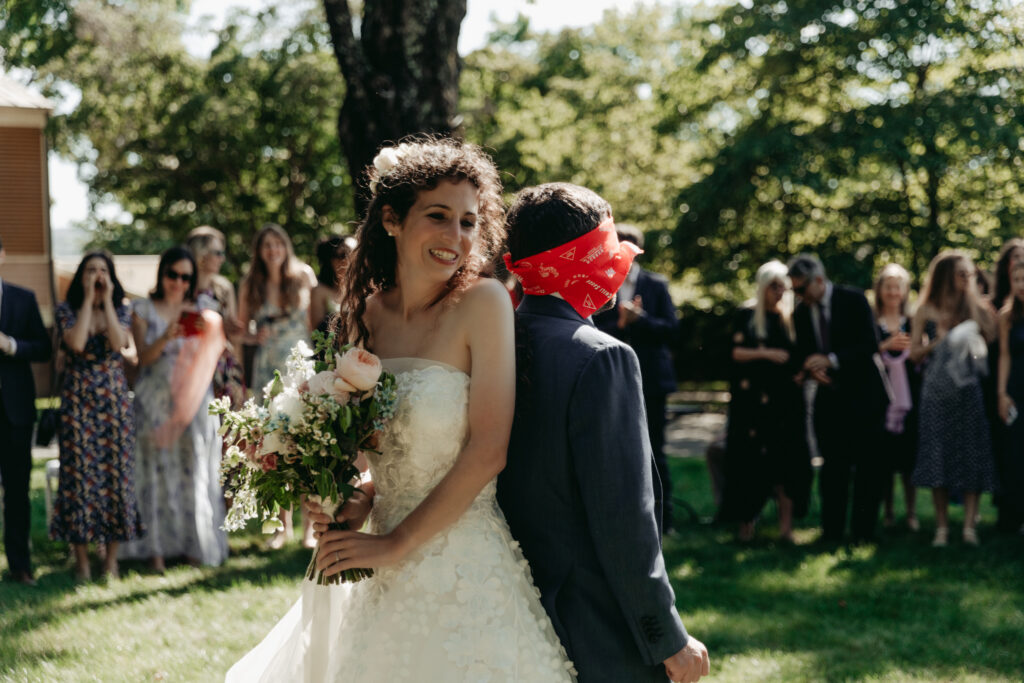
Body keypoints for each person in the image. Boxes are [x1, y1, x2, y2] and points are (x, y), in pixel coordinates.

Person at [227, 138, 576, 682]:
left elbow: (489, 451)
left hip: (463, 563)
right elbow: (370, 451)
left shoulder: (484, 304)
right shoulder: (365, 316)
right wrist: (354, 501)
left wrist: (396, 543)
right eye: (437, 216)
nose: (456, 238)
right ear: (391, 219)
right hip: (377, 566)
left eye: (467, 222)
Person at [501, 182, 710, 683]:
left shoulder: (494, 338)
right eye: (609, 249)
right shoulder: (602, 356)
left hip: (506, 599)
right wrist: (666, 635)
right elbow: (624, 517)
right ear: (586, 258)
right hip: (591, 619)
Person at [119, 246, 228, 570]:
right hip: (154, 398)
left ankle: (195, 544)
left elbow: (214, 353)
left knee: (192, 469)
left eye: (185, 276)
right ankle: (155, 550)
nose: (178, 282)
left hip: (193, 399)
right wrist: (167, 336)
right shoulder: (142, 310)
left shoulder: (203, 308)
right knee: (155, 472)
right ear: (162, 274)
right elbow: (142, 359)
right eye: (172, 275)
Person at [49, 252, 142, 580]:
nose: (97, 275)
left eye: (103, 270)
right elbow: (75, 343)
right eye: (91, 270)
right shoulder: (66, 310)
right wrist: (89, 299)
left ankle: (111, 561)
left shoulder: (123, 308)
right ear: (81, 276)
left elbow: (118, 343)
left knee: (116, 476)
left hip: (113, 402)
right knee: (78, 477)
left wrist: (106, 303)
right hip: (78, 401)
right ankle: (83, 563)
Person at [788, 254, 888, 544]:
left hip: (865, 397)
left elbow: (869, 344)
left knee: (868, 468)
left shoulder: (854, 300)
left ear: (819, 280)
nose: (798, 296)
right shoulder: (801, 313)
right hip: (830, 400)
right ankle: (831, 532)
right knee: (833, 469)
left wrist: (830, 360)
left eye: (801, 289)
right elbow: (805, 353)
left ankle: (863, 532)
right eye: (794, 290)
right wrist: (810, 369)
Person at [593, 223, 680, 533]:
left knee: (656, 447)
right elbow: (590, 330)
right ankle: (622, 516)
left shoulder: (656, 285)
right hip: (612, 379)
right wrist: (620, 322)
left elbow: (672, 331)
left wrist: (640, 320)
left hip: (651, 380)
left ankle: (662, 519)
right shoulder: (601, 285)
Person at [718, 260, 811, 543]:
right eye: (773, 287)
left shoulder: (792, 318)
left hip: (786, 405)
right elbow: (734, 354)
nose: (779, 292)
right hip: (752, 405)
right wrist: (767, 354)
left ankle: (786, 529)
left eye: (783, 287)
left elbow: (803, 355)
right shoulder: (747, 314)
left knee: (787, 465)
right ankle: (745, 526)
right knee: (749, 465)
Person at [910, 250, 997, 546]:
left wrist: (979, 317)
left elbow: (993, 337)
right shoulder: (926, 310)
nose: (968, 279)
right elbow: (913, 354)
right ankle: (942, 527)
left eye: (970, 274)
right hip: (935, 393)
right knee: (938, 456)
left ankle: (970, 526)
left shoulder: (975, 307)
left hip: (969, 391)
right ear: (947, 275)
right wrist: (938, 340)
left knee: (972, 454)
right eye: (963, 274)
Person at [238, 223, 315, 548]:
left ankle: (310, 528)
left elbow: (312, 324)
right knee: (273, 446)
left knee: (307, 442)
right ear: (259, 251)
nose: (273, 250)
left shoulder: (303, 276)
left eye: (278, 244)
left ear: (286, 247)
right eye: (266, 245)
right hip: (267, 367)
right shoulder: (250, 283)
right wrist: (252, 337)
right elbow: (239, 331)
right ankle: (282, 528)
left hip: (299, 364)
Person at [0, 236, 52, 586]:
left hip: (14, 412)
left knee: (17, 492)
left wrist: (11, 345)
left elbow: (43, 349)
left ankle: (20, 566)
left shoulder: (23, 298)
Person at [873, 263, 920, 531]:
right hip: (881, 399)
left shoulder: (913, 321)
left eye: (897, 286)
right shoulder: (872, 321)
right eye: (888, 286)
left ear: (904, 290)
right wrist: (885, 346)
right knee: (885, 460)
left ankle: (911, 513)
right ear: (880, 290)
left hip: (909, 399)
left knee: (908, 459)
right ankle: (888, 512)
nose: (892, 291)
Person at [186, 226, 246, 409]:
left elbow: (235, 339)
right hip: (189, 366)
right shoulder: (181, 284)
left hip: (221, 368)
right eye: (218, 252)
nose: (223, 258)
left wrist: (238, 375)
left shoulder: (223, 288)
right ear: (201, 254)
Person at [997, 260, 1024, 534]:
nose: (1021, 285)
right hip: (1016, 390)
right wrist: (1001, 393)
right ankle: (1015, 517)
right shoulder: (1007, 316)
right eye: (1017, 280)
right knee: (1016, 454)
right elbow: (1004, 355)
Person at [310, 235, 357, 335]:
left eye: (355, 254)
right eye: (342, 255)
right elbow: (317, 334)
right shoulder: (319, 291)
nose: (349, 260)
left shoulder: (366, 288)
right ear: (330, 260)